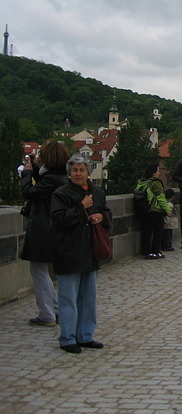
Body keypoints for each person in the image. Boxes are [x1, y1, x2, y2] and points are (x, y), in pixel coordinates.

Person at [50, 153, 111, 353]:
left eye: (82, 170)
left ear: (88, 172)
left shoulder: (98, 192)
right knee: (68, 298)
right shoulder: (61, 193)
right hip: (68, 250)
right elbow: (58, 219)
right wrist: (80, 207)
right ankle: (67, 337)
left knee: (88, 297)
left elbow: (108, 214)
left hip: (90, 251)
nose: (78, 174)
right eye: (75, 170)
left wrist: (101, 216)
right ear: (70, 173)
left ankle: (85, 334)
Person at [19, 141, 69, 327]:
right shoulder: (61, 176)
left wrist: (25, 173)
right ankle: (54, 310)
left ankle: (47, 313)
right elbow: (41, 188)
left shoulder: (53, 179)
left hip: (43, 230)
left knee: (38, 271)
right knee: (43, 272)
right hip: (53, 230)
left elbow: (29, 192)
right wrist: (35, 170)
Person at [136, 164, 171, 259]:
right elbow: (161, 198)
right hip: (155, 210)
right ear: (153, 173)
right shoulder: (156, 183)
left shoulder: (141, 182)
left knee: (146, 232)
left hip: (144, 210)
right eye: (158, 171)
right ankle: (155, 251)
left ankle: (146, 251)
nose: (159, 173)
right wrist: (167, 210)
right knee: (157, 232)